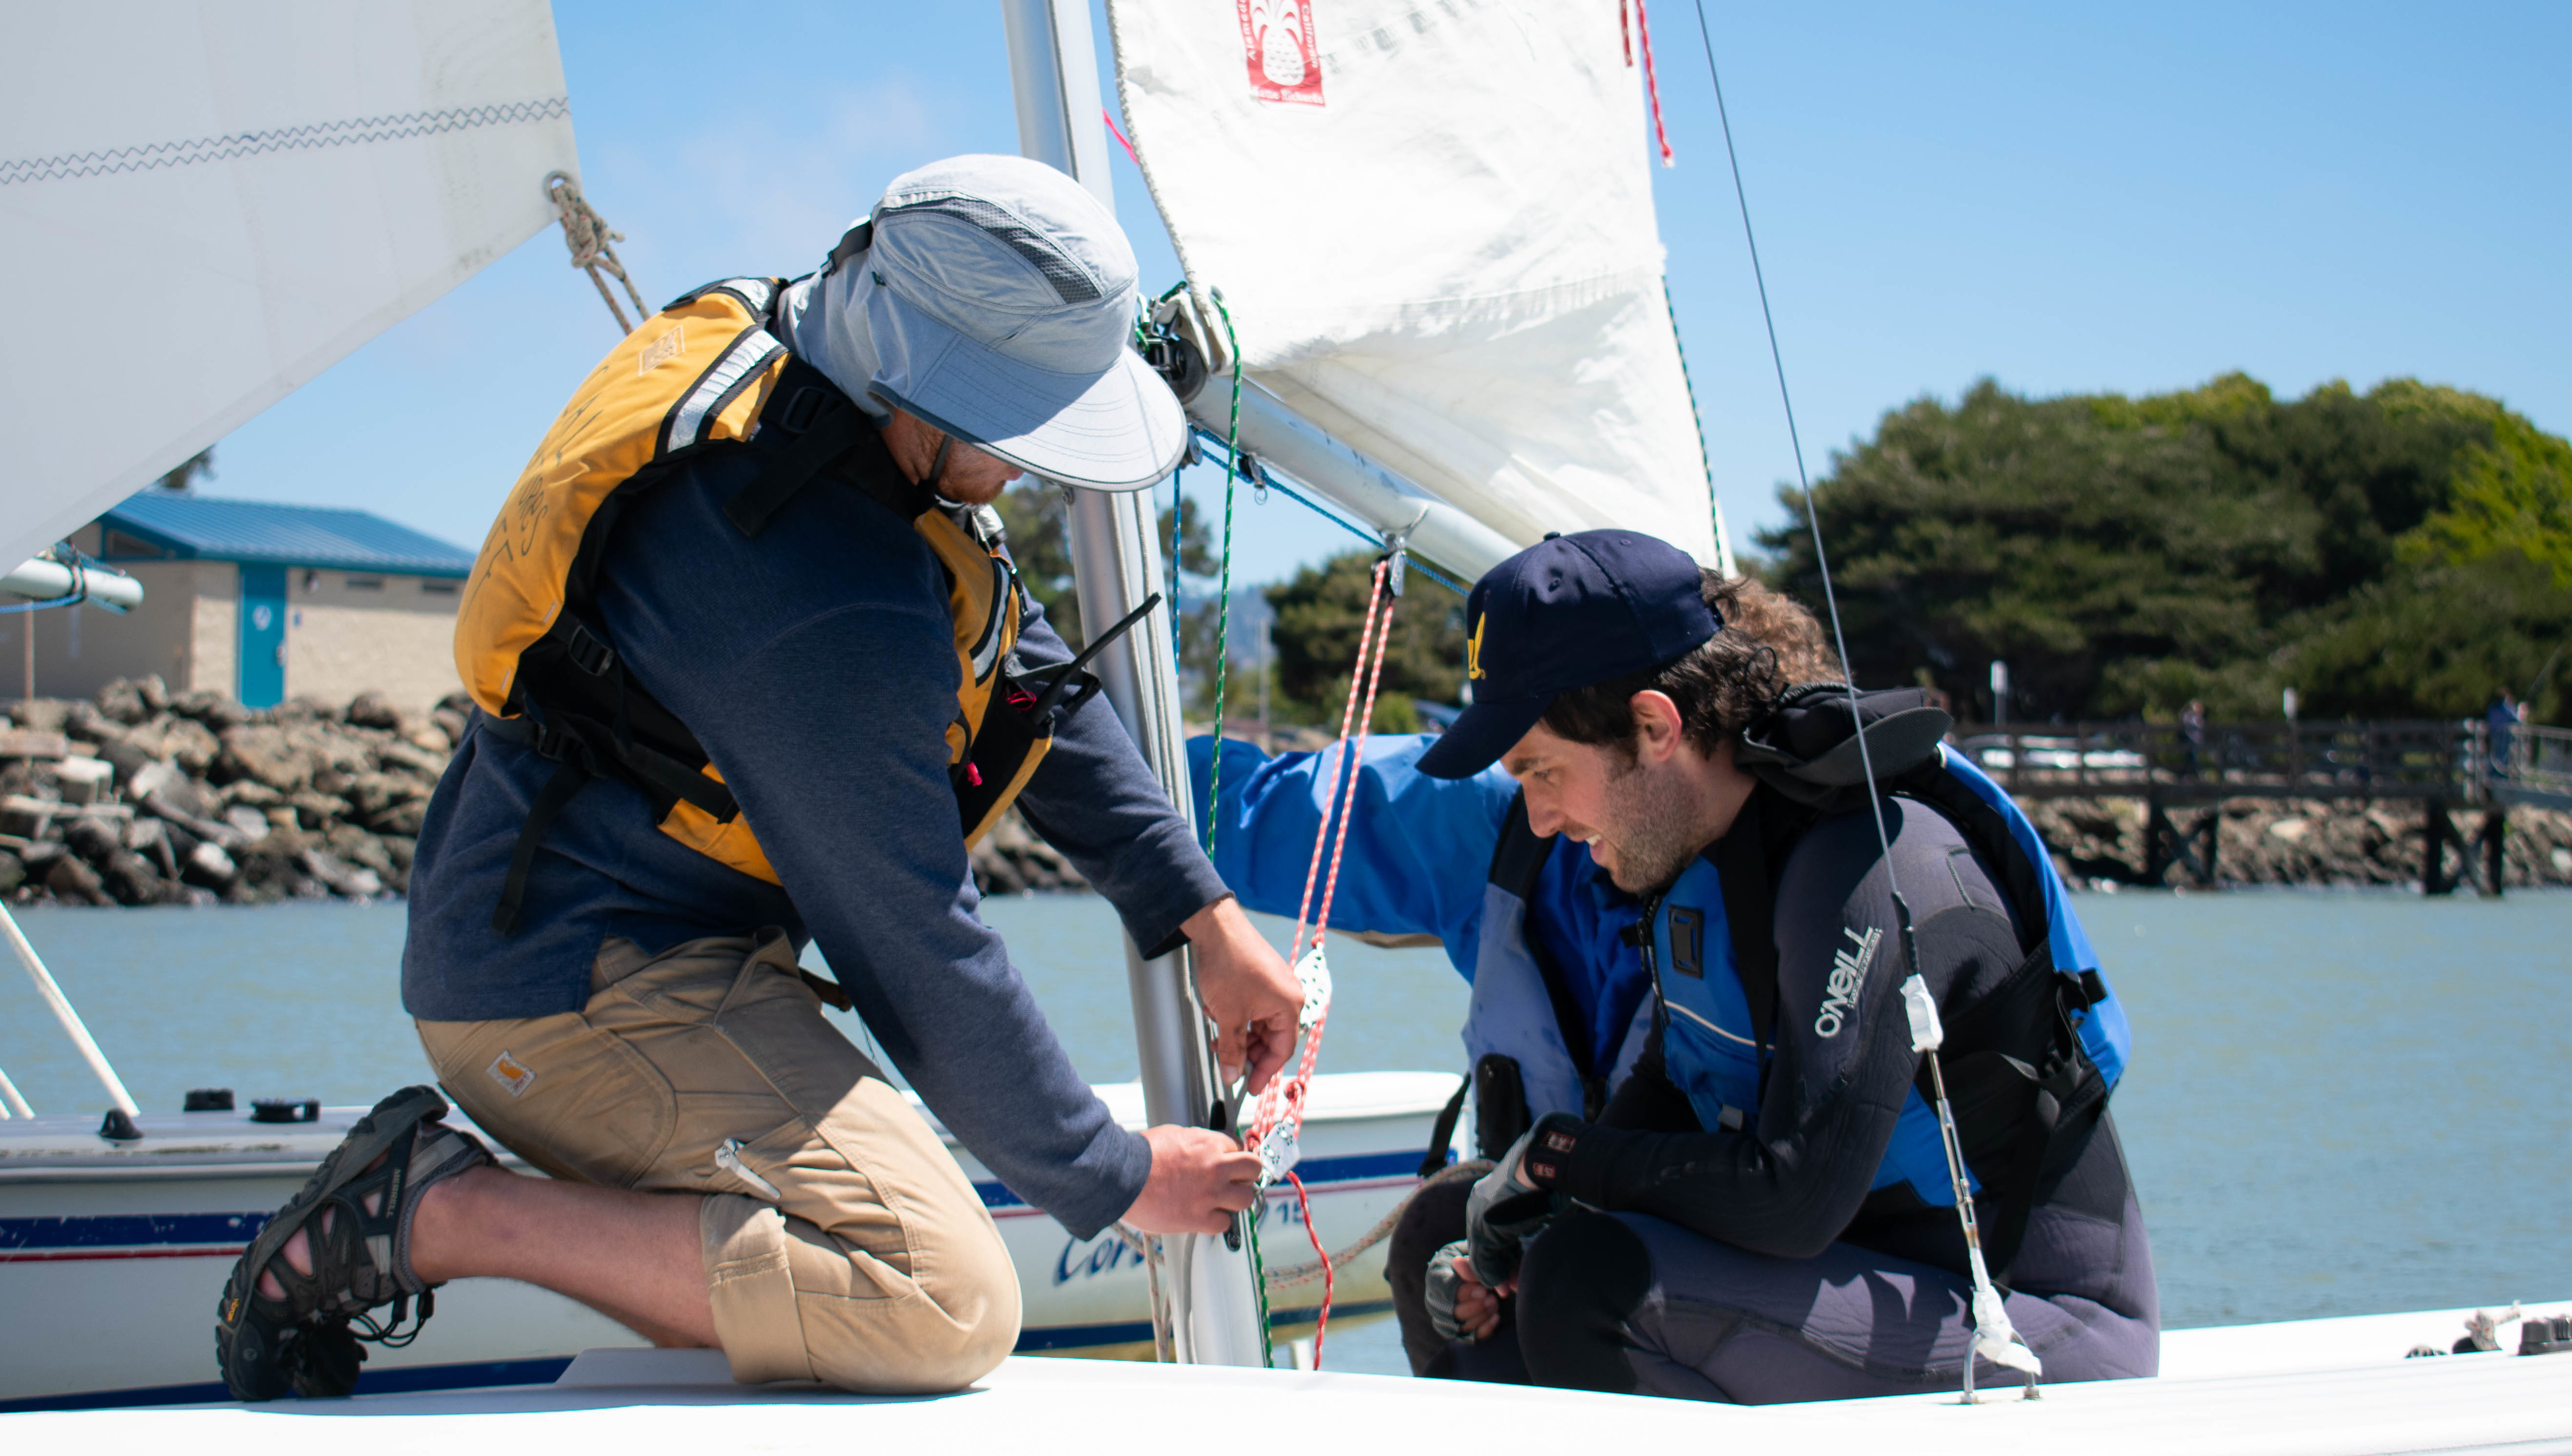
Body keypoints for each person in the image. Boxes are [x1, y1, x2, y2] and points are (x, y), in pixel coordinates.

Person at [215, 155, 1305, 1401]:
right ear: (928, 392)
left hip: (633, 936)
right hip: (564, 989)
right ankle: (433, 1213)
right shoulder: (808, 583)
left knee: (870, 1277)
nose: (1038, 468)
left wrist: (1199, 913)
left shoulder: (812, 356)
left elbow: (1012, 654)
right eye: (1022, 431)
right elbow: (909, 937)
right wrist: (1108, 1174)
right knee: (941, 1302)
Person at [1194, 554, 2139, 1391]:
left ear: (1654, 727)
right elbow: (1649, 1117)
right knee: (1451, 1229)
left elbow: (1797, 1194)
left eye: (1542, 771)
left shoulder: (1873, 862)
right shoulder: (1701, 868)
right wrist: (1510, 1216)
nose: (1538, 816)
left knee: (1590, 1282)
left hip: (2032, 1316)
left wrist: (1559, 1161)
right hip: (1844, 1281)